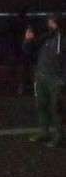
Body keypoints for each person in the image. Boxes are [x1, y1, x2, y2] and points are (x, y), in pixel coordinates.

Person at [23, 14, 64, 148]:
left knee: (56, 107)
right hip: (41, 76)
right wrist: (28, 40)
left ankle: (59, 136)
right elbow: (28, 51)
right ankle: (44, 132)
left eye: (53, 21)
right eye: (49, 21)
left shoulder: (62, 39)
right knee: (41, 105)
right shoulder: (45, 37)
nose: (50, 24)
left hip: (55, 78)